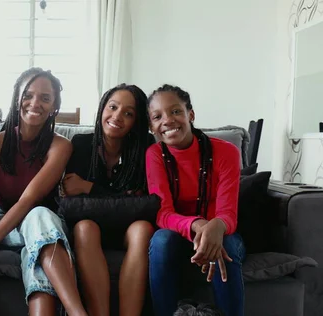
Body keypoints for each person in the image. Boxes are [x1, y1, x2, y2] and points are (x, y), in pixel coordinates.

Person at [0, 68, 88, 316]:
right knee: (34, 235)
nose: (35, 103)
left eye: (45, 98)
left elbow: (29, 199)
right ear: (17, 98)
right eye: (28, 95)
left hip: (45, 225)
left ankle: (77, 313)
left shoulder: (61, 146)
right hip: (4, 226)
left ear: (54, 106)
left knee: (38, 219)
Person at [146, 84, 245, 316]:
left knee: (226, 245)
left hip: (223, 234)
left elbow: (228, 213)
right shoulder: (154, 155)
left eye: (176, 111)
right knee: (161, 241)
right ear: (151, 127)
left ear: (190, 114)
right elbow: (162, 212)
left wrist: (214, 229)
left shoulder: (227, 152)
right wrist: (198, 225)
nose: (168, 120)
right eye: (157, 116)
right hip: (179, 236)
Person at [62, 83, 154, 316]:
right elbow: (71, 203)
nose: (117, 116)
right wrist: (123, 199)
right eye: (112, 107)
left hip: (128, 229)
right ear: (102, 108)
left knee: (142, 228)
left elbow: (146, 205)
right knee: (84, 228)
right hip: (91, 227)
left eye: (128, 113)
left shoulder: (147, 148)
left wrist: (89, 187)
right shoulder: (81, 145)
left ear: (137, 121)